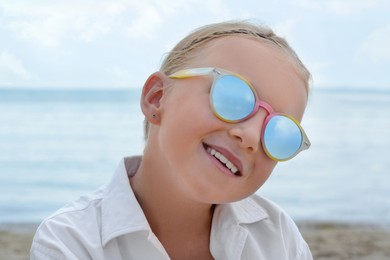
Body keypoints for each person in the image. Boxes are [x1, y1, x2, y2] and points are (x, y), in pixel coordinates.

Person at [31, 20, 313, 259]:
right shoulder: (70, 240)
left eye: (278, 132)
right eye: (233, 98)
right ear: (157, 98)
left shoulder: (278, 238)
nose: (251, 136)